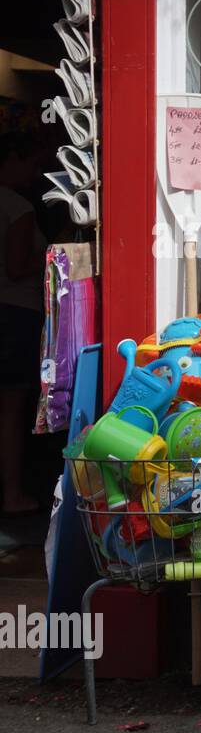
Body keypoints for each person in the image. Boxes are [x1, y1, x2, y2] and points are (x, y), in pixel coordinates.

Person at [0, 131, 48, 516]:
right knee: (13, 409)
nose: (35, 174)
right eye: (32, 164)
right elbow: (16, 268)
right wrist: (53, 259)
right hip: (15, 313)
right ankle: (13, 494)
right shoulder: (16, 207)